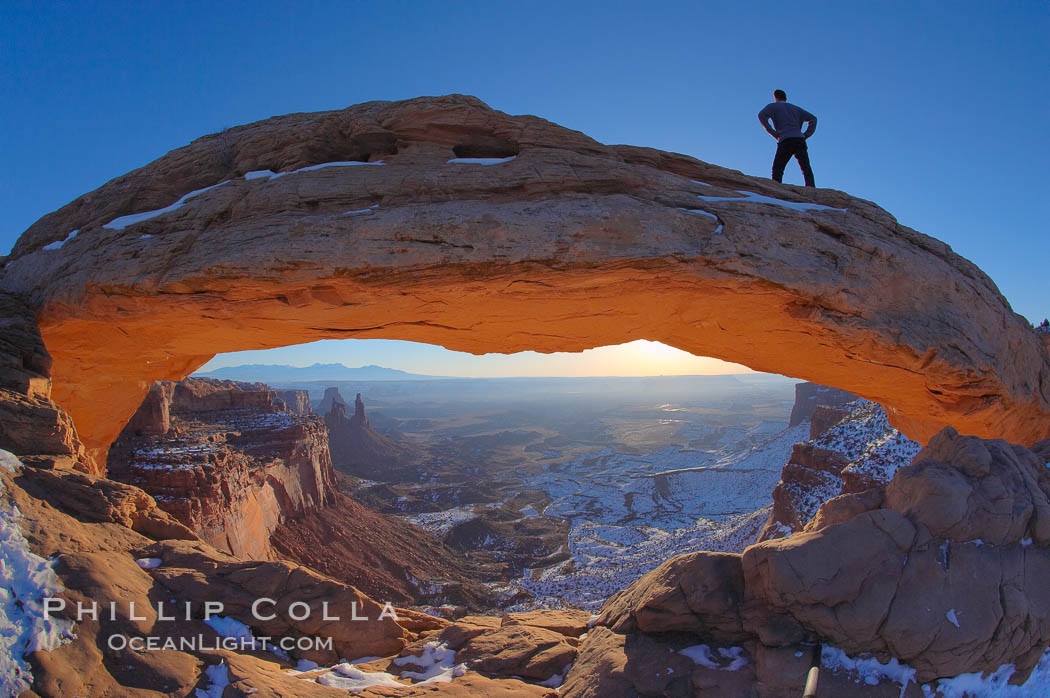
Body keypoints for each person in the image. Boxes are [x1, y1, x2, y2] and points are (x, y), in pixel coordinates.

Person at [758, 89, 817, 187]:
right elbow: (813, 119)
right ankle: (811, 188)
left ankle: (776, 188)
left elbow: (761, 116)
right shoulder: (795, 108)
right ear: (785, 97)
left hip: (785, 139)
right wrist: (806, 134)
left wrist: (773, 133)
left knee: (778, 167)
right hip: (799, 139)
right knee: (805, 166)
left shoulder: (773, 106)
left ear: (775, 97)